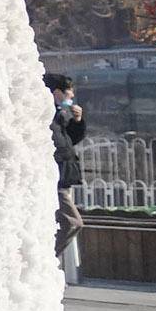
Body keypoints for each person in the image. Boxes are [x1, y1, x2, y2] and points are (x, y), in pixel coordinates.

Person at [48, 71, 89, 278]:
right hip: (56, 179)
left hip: (64, 177)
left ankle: (46, 257)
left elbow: (70, 141)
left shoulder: (59, 116)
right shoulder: (47, 117)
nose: (70, 98)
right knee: (72, 222)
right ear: (56, 93)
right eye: (68, 94)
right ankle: (45, 258)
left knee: (69, 222)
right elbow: (59, 147)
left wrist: (77, 121)